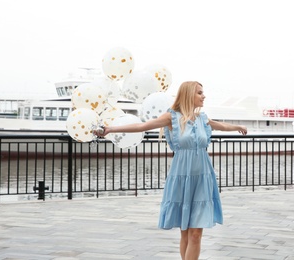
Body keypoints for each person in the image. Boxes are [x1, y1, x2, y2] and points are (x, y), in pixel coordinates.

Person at [95, 81, 247, 260]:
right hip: (182, 178)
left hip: (202, 178)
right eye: (199, 93)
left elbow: (221, 126)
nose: (203, 96)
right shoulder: (172, 117)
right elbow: (142, 127)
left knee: (196, 233)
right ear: (189, 95)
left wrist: (238, 127)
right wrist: (110, 129)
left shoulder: (202, 118)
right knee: (185, 233)